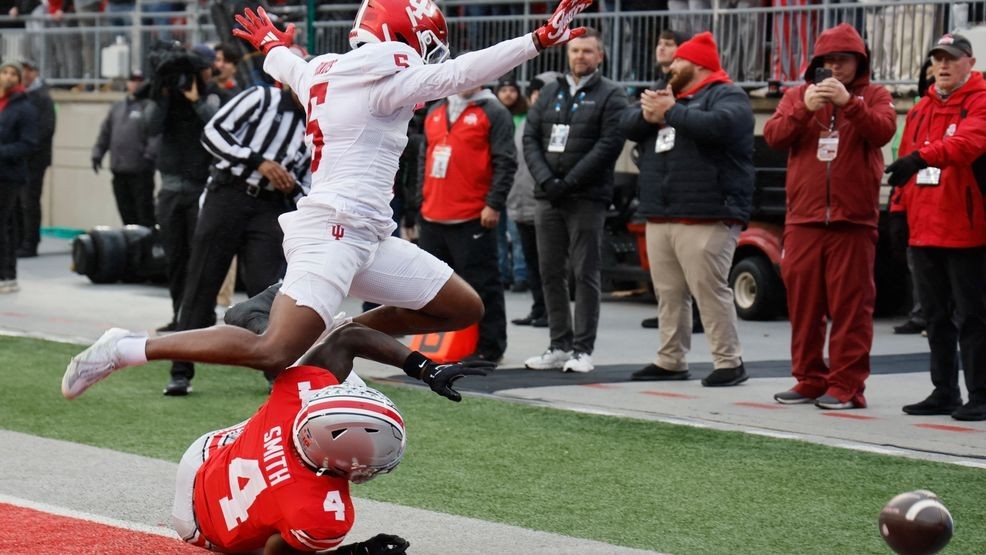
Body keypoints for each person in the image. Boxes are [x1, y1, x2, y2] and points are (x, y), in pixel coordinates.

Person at [63, 0, 596, 397]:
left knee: (461, 305)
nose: (429, 56)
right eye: (425, 42)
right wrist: (538, 39)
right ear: (401, 34)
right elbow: (461, 73)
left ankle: (339, 330)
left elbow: (286, 65)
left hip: (368, 235)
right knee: (273, 349)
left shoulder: (324, 69)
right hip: (335, 231)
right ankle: (126, 347)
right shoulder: (384, 81)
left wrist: (272, 43)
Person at [68, 318, 491, 553]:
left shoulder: (298, 394)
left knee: (283, 401)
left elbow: (348, 337)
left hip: (204, 455)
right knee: (297, 529)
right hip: (203, 531)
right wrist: (353, 553)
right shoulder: (323, 513)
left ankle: (256, 313)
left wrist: (422, 366)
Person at [764, 24, 896, 410]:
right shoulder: (797, 96)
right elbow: (773, 137)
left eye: (843, 60)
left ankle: (847, 385)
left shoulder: (875, 95)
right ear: (817, 65)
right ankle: (808, 378)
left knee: (851, 308)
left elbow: (884, 130)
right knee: (804, 306)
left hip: (852, 221)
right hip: (803, 219)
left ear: (860, 62)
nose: (835, 68)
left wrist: (849, 104)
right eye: (828, 61)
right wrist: (805, 108)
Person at [619, 32, 754, 387]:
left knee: (709, 289)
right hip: (662, 211)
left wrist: (672, 112)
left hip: (708, 210)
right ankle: (670, 359)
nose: (670, 66)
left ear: (697, 65)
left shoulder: (727, 94)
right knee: (668, 292)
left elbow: (722, 127)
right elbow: (626, 126)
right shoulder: (670, 96)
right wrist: (652, 113)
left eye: (677, 61)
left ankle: (729, 361)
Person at [162, 83, 310, 395]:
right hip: (228, 196)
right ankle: (180, 370)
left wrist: (292, 187)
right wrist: (258, 162)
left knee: (268, 290)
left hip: (271, 206)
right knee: (202, 283)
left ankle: (276, 371)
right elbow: (213, 133)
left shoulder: (318, 121)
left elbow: (313, 180)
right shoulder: (261, 97)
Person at [887, 33, 986, 422]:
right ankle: (944, 390)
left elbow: (967, 144)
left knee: (974, 316)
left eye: (951, 59)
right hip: (925, 228)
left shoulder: (980, 102)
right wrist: (898, 213)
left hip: (967, 231)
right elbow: (902, 168)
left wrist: (920, 157)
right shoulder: (920, 109)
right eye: (938, 59)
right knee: (935, 318)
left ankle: (980, 393)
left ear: (970, 63)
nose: (943, 66)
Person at [522, 28, 629, 374]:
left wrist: (568, 182)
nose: (580, 56)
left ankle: (582, 350)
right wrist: (547, 180)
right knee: (550, 272)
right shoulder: (551, 91)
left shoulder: (612, 95)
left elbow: (609, 144)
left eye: (587, 51)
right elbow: (530, 137)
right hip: (548, 195)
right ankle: (558, 344)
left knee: (585, 272)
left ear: (600, 55)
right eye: (575, 50)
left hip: (587, 197)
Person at [414, 85, 517, 364]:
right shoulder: (436, 110)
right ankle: (436, 343)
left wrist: (494, 204)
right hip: (434, 213)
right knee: (431, 288)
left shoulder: (494, 112)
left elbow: (506, 162)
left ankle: (490, 347)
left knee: (482, 284)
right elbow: (425, 157)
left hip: (473, 215)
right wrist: (421, 201)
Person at [143, 44, 232, 333]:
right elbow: (150, 126)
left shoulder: (214, 97)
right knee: (175, 258)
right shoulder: (166, 99)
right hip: (169, 190)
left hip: (201, 189)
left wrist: (196, 101)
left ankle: (199, 318)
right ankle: (179, 314)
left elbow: (219, 127)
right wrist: (162, 93)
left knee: (200, 259)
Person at [506, 72, 557, 329]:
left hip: (543, 202)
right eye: (534, 92)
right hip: (521, 201)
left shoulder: (555, 121)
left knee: (549, 264)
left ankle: (551, 312)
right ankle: (538, 308)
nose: (537, 96)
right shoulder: (526, 122)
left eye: (542, 91)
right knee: (532, 261)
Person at [91, 71, 157, 228]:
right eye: (132, 80)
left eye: (139, 81)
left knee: (144, 215)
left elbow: (155, 135)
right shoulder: (117, 107)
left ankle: (147, 249)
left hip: (140, 172)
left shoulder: (149, 107)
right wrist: (97, 153)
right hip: (119, 170)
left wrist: (149, 156)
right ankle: (132, 248)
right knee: (126, 214)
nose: (135, 84)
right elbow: (105, 133)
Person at [0, 61, 38, 295]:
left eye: (13, 73)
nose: (8, 77)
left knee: (3, 225)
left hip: (8, 176)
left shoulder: (24, 108)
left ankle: (6, 274)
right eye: (4, 71)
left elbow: (29, 144)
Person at [15, 59, 55, 258]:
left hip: (34, 160)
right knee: (18, 202)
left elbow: (46, 129)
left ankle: (30, 242)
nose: (24, 74)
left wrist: (24, 146)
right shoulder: (20, 96)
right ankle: (20, 240)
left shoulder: (42, 97)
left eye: (27, 71)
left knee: (29, 201)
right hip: (18, 159)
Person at [494, 77, 529, 293]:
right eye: (504, 90)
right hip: (496, 183)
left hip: (518, 183)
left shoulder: (523, 118)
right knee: (497, 234)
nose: (508, 94)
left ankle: (520, 275)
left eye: (512, 90)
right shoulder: (494, 115)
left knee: (516, 233)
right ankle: (502, 274)